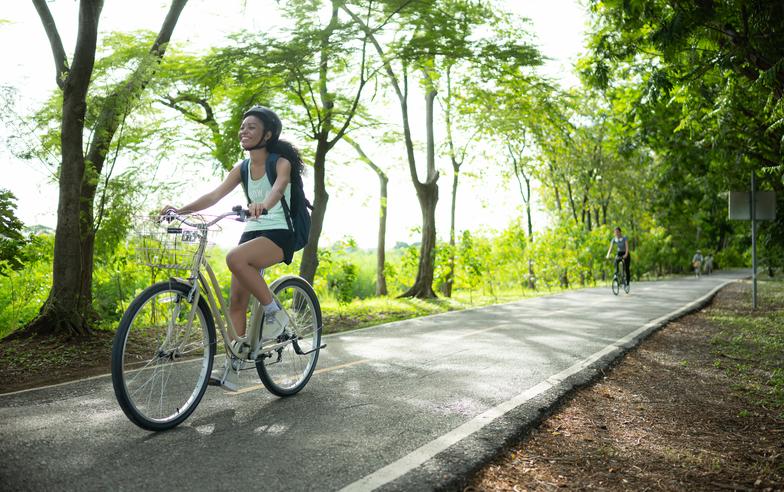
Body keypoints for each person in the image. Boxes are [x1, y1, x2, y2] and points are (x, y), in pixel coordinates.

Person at [161, 106, 303, 389]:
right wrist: (181, 210)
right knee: (236, 303)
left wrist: (264, 204)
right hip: (253, 231)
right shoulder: (243, 168)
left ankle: (277, 316)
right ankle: (233, 368)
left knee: (234, 258)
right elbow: (214, 195)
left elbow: (278, 188)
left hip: (280, 232)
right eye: (242, 127)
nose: (244, 131)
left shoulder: (280, 162)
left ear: (268, 134)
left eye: (251, 127)